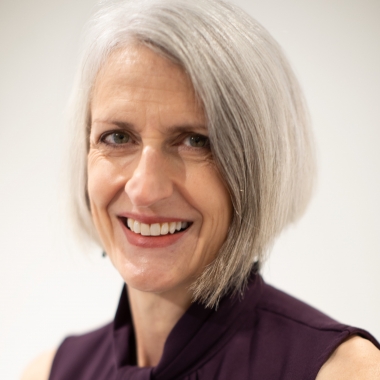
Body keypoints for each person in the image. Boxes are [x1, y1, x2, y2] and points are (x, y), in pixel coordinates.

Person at [21, 0, 380, 379]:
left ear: (255, 168)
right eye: (117, 136)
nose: (145, 189)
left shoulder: (344, 372)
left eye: (195, 141)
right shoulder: (49, 372)